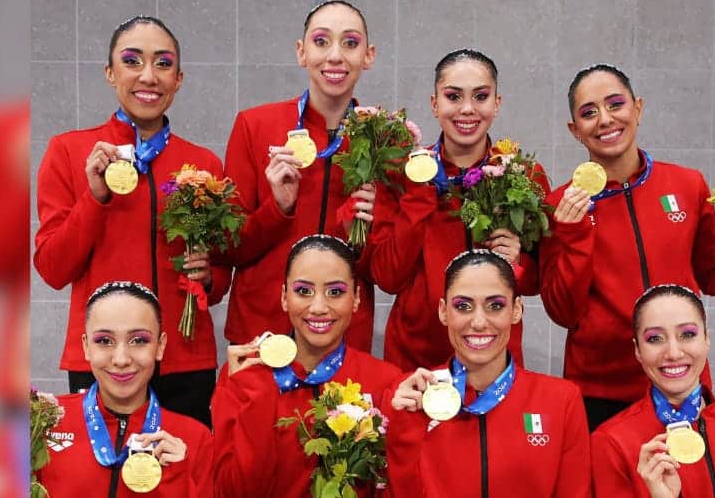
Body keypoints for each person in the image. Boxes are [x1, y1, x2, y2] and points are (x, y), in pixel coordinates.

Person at [540, 63, 715, 430]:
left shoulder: (687, 185)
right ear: (575, 130)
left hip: (682, 377)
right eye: (588, 112)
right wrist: (573, 235)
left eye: (615, 104)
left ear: (638, 109)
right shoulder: (559, 206)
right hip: (601, 390)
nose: (605, 119)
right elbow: (564, 312)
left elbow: (711, 271)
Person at [33, 16, 229, 427]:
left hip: (185, 359)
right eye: (132, 61)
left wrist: (209, 276)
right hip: (104, 359)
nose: (148, 76)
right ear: (110, 73)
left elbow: (220, 279)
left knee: (184, 482)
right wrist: (96, 196)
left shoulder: (204, 164)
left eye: (162, 63)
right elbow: (52, 267)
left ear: (179, 78)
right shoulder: (69, 152)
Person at [369, 49, 550, 371]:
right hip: (415, 360)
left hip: (496, 357)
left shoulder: (523, 175)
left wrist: (518, 262)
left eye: (480, 96)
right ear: (435, 103)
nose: (467, 109)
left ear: (497, 103)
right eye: (453, 96)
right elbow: (387, 277)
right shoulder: (402, 172)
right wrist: (420, 194)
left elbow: (538, 281)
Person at [220, 0, 379, 353]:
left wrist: (369, 226)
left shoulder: (383, 140)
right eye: (321, 41)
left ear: (368, 56)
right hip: (261, 331)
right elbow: (228, 248)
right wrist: (277, 207)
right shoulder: (255, 125)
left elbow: (388, 270)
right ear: (301, 52)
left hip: (344, 334)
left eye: (350, 43)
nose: (335, 56)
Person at [384, 250, 590, 498]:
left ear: (516, 310)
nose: (479, 322)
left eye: (495, 306)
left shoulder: (561, 400)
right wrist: (405, 431)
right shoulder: (409, 397)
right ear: (443, 311)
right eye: (463, 306)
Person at [211, 234, 401, 497]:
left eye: (335, 292)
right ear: (284, 297)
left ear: (357, 298)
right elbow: (230, 492)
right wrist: (258, 393)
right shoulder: (244, 374)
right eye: (303, 291)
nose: (319, 307)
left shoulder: (385, 381)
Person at [591, 284, 715, 497]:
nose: (674, 353)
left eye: (687, 334)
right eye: (655, 338)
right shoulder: (611, 442)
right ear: (638, 350)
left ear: (707, 339)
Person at [37, 281, 214, 497]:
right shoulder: (43, 422)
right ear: (86, 347)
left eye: (139, 340)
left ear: (160, 346)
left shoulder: (195, 438)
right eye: (104, 341)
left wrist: (178, 480)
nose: (121, 359)